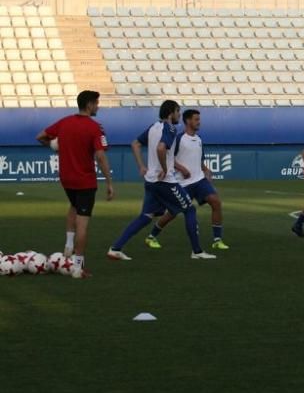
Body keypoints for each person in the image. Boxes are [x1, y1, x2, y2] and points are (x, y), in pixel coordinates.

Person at [107, 100, 216, 261]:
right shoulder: (170, 128)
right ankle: (197, 251)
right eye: (178, 112)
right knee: (189, 210)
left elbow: (135, 144)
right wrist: (165, 169)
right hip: (165, 182)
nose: (179, 115)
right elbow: (160, 148)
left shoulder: (153, 127)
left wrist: (141, 166)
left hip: (151, 181)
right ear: (171, 113)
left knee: (146, 216)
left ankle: (115, 248)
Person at [36, 90, 114, 279]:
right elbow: (101, 155)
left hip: (66, 179)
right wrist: (109, 182)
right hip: (84, 180)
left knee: (73, 206)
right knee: (83, 221)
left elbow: (41, 136)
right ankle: (77, 267)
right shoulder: (95, 127)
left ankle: (69, 247)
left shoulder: (64, 122)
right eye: (96, 103)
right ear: (89, 105)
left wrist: (55, 146)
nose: (98, 106)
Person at [143, 109, 230, 251]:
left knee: (216, 202)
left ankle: (217, 240)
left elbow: (199, 160)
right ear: (188, 121)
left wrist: (206, 170)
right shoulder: (178, 138)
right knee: (172, 213)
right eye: (196, 119)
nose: (199, 122)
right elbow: (168, 156)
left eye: (199, 119)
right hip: (183, 183)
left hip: (200, 180)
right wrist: (181, 168)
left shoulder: (199, 139)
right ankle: (152, 236)